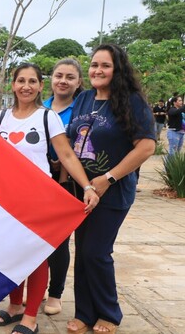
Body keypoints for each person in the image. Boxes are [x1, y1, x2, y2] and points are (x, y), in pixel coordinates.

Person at [0, 63, 99, 334]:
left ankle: (30, 317)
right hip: (5, 199)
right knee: (11, 255)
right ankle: (15, 305)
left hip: (37, 198)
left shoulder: (47, 117)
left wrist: (87, 186)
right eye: (21, 81)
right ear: (12, 85)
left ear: (40, 85)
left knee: (36, 256)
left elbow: (67, 155)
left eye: (32, 81)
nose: (26, 86)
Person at [65, 44, 155, 334]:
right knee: (83, 252)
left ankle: (108, 313)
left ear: (117, 70)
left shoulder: (131, 101)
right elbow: (70, 144)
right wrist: (85, 183)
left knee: (96, 252)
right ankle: (84, 312)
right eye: (93, 65)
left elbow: (146, 147)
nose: (97, 71)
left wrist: (108, 179)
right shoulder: (83, 99)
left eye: (105, 65)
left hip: (114, 192)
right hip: (83, 191)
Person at [41, 58, 84, 316]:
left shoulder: (83, 111)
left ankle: (55, 293)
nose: (63, 81)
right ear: (51, 79)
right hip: (37, 182)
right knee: (33, 240)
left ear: (79, 82)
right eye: (59, 75)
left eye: (70, 77)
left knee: (58, 242)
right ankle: (30, 288)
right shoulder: (39, 107)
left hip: (66, 184)